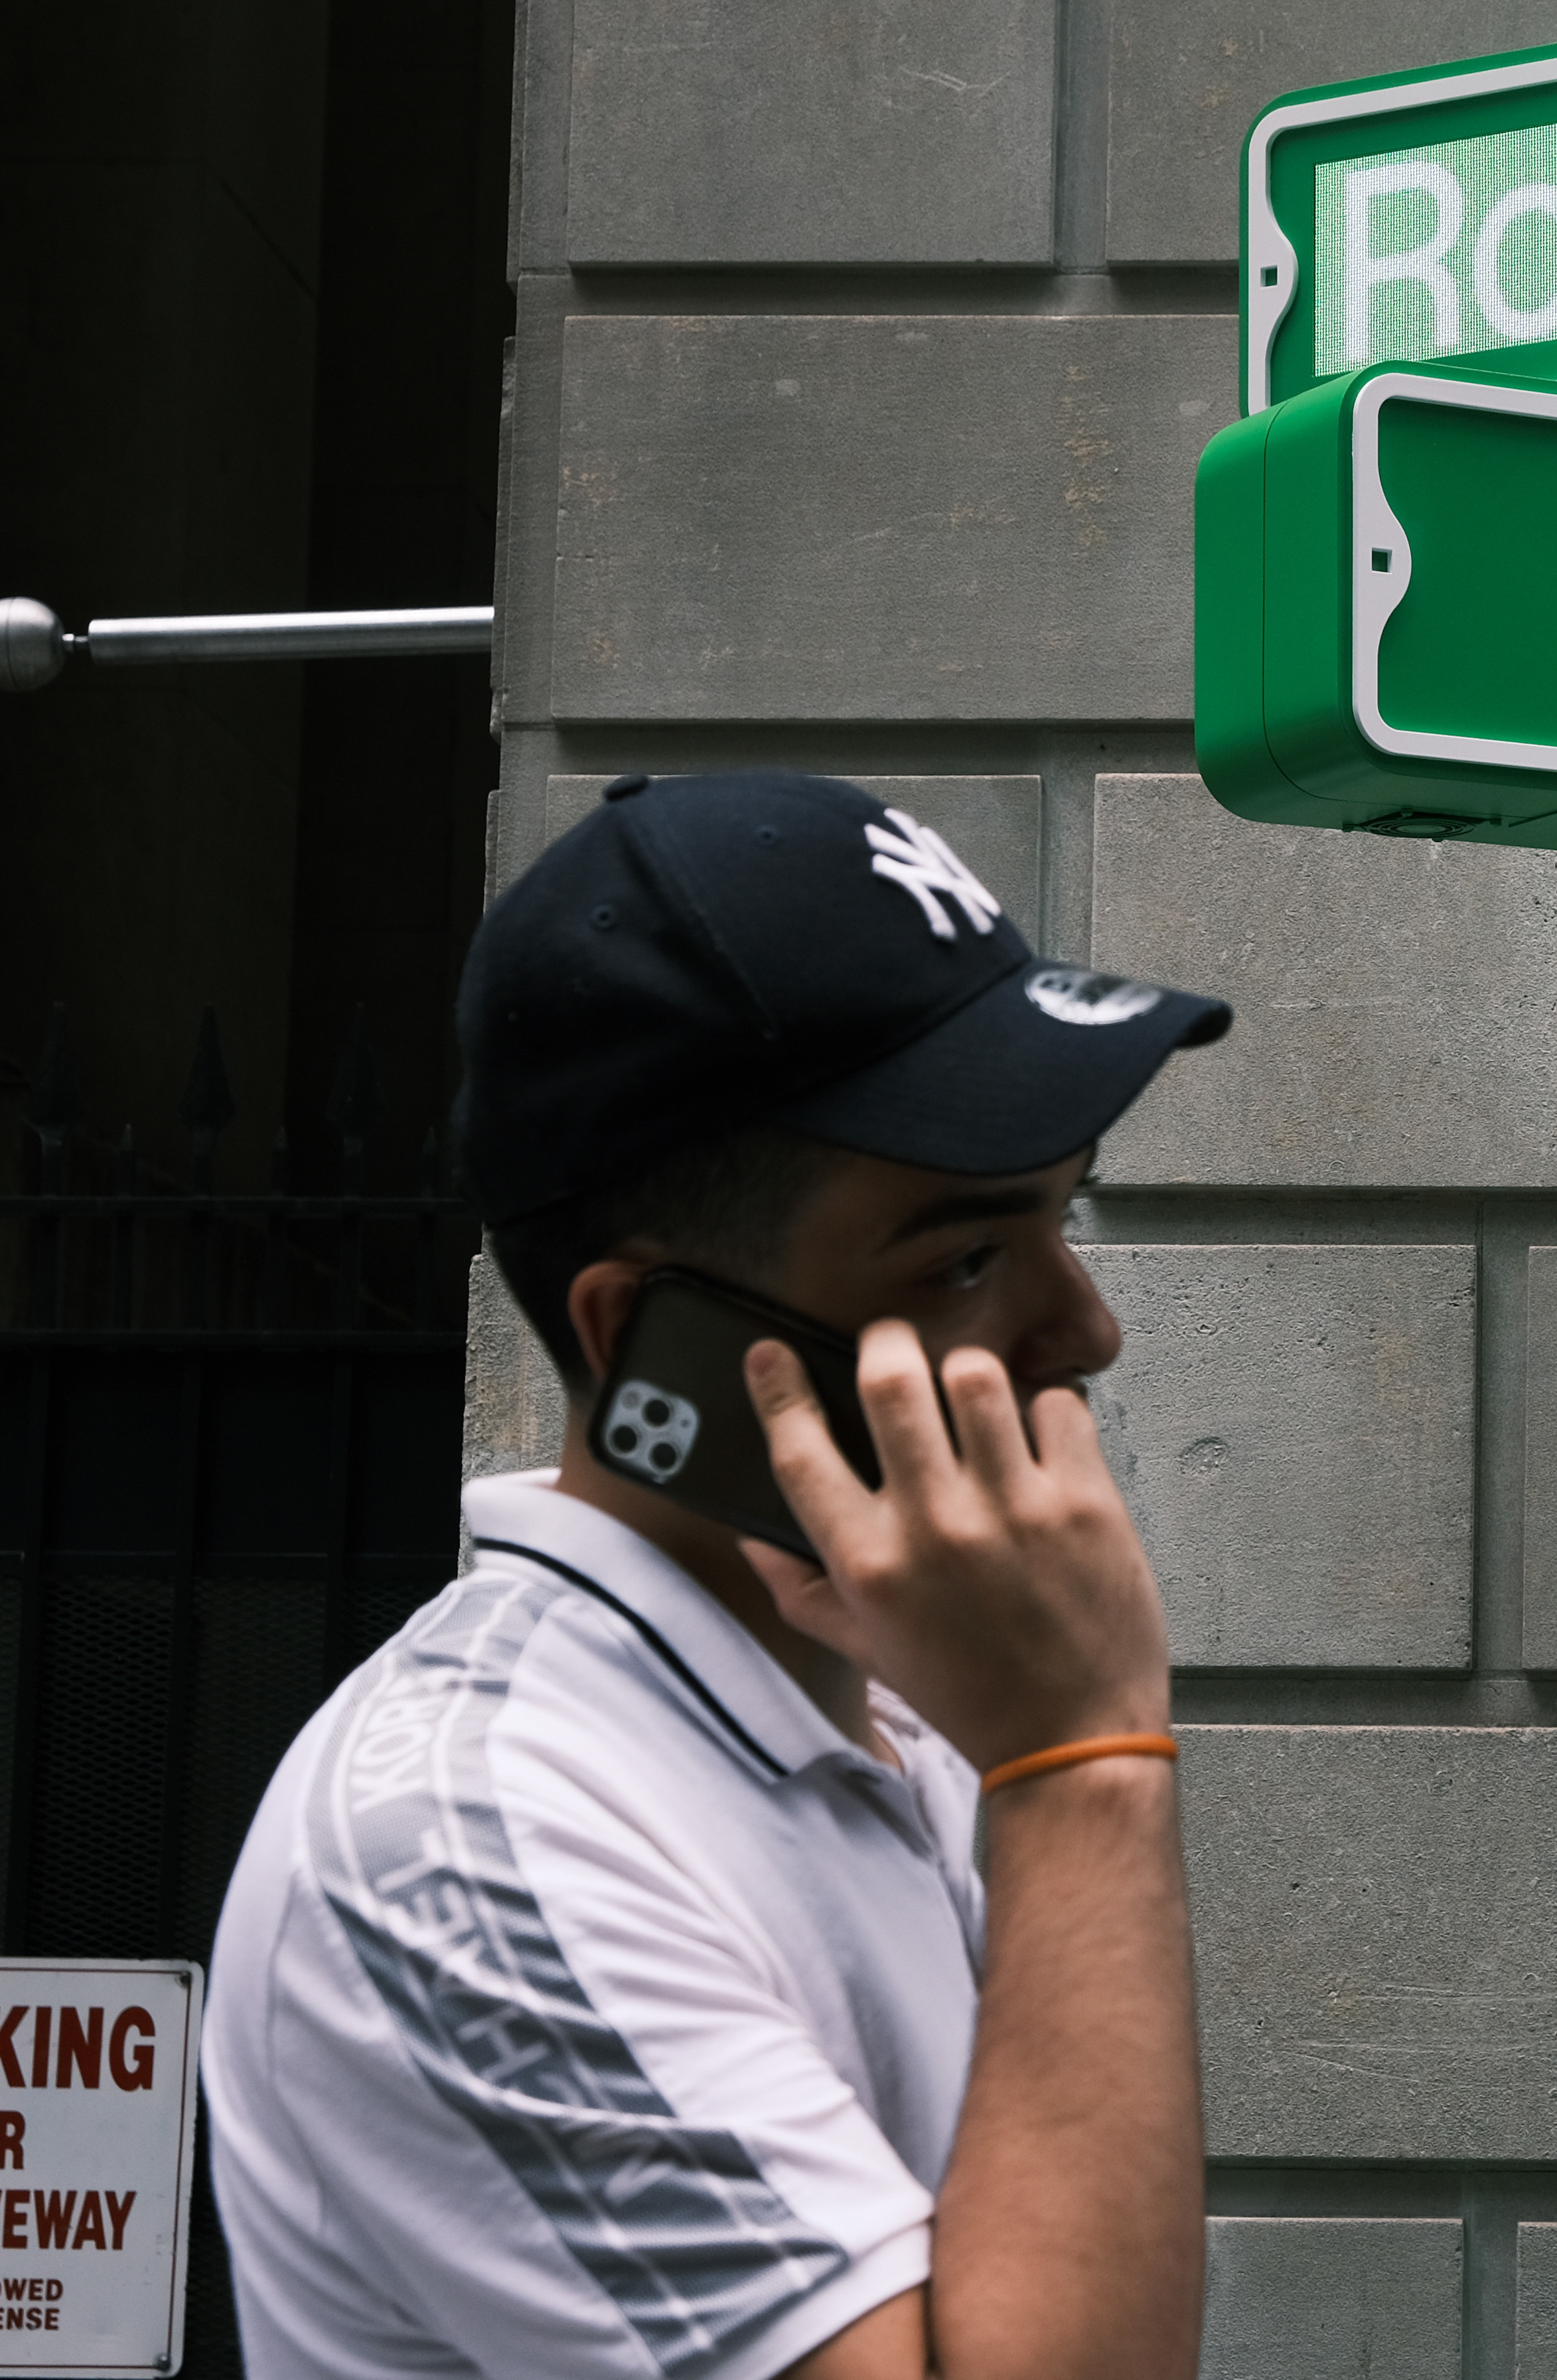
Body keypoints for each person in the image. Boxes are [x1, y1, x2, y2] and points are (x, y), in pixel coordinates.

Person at [203, 770, 1231, 2380]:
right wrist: (1085, 1763)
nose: (1085, 1327)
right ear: (646, 1341)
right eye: (967, 1254)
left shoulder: (899, 1711)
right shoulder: (474, 1843)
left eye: (1064, 1212)